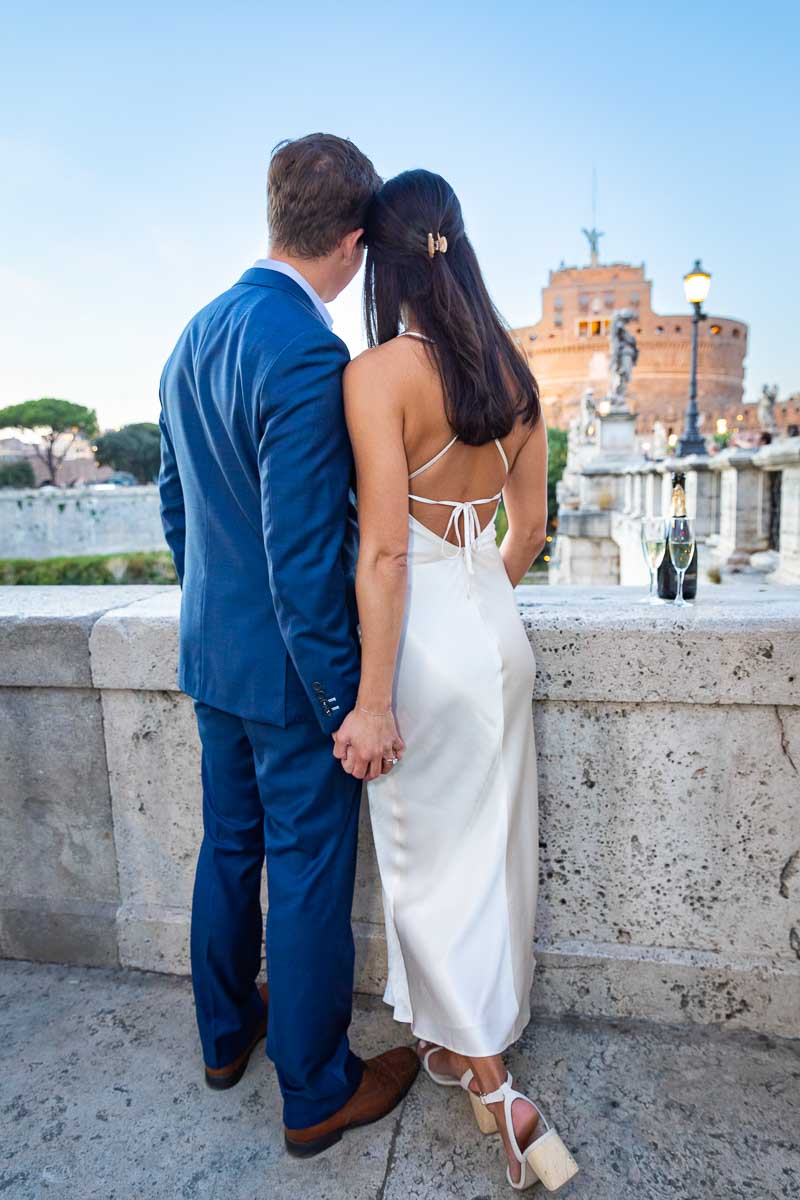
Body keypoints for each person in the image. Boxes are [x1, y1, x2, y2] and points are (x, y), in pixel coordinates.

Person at [158, 134, 418, 1160]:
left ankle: (226, 1039)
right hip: (287, 671)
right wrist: (344, 698)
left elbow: (177, 507)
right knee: (308, 869)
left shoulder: (193, 333)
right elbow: (305, 555)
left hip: (211, 658)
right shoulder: (309, 350)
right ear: (352, 244)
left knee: (228, 846)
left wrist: (210, 614)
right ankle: (314, 1091)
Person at [333, 170, 579, 1192]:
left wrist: (375, 698)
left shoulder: (379, 373)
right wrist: (479, 589)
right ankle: (453, 1042)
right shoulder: (515, 376)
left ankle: (499, 1090)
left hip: (421, 650)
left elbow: (383, 557)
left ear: (382, 259)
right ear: (458, 245)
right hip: (496, 636)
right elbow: (530, 531)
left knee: (426, 872)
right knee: (490, 859)